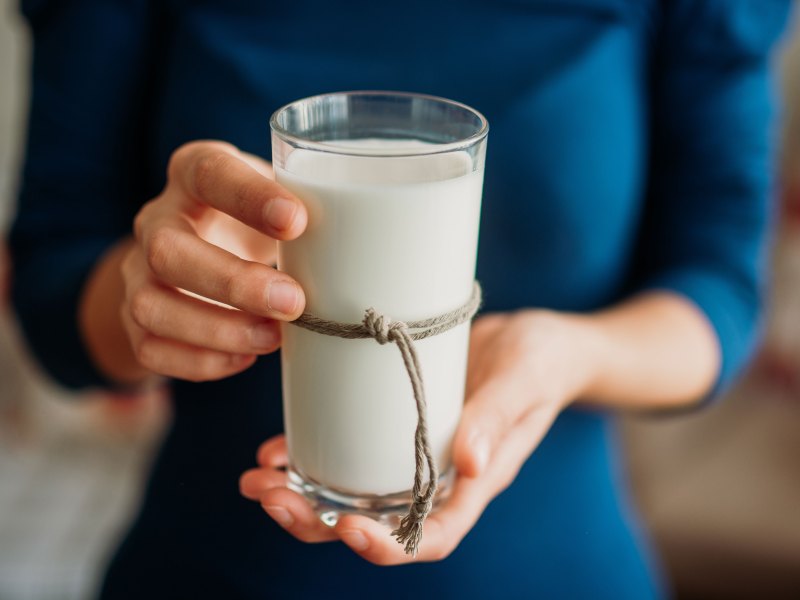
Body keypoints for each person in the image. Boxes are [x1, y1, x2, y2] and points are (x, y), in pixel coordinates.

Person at [9, 1, 791, 598]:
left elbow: (719, 287)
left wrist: (567, 355)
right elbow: (54, 286)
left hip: (554, 568)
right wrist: (143, 288)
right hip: (214, 563)